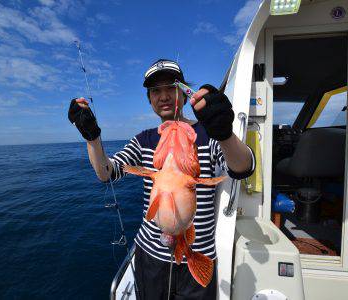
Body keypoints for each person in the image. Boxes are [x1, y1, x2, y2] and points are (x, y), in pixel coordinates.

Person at [68, 59, 255, 299]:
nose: (164, 96)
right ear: (149, 99)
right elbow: (107, 173)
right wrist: (91, 137)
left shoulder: (210, 133)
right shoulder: (144, 140)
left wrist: (225, 133)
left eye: (171, 87)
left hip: (197, 254)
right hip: (151, 256)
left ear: (185, 94)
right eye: (156, 91)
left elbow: (243, 167)